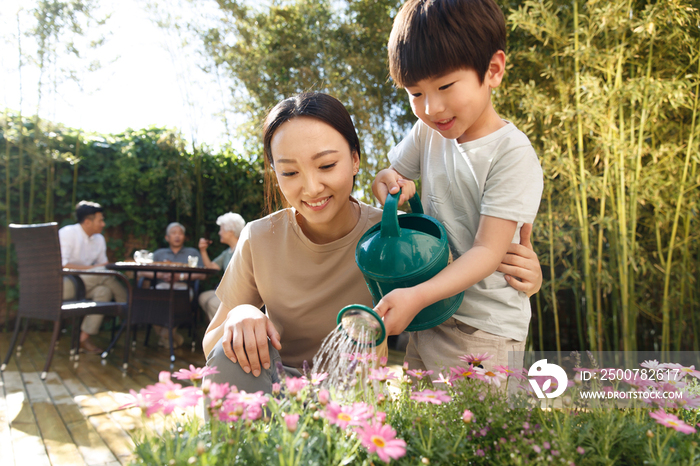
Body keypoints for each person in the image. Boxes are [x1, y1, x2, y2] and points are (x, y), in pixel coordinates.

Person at [203, 92, 542, 394]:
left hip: (350, 400)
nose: (311, 187)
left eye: (327, 165)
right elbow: (212, 347)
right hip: (272, 387)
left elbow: (458, 278)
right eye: (289, 172)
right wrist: (241, 314)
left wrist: (520, 271)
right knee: (227, 358)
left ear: (355, 160)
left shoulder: (391, 236)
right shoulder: (260, 237)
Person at [372, 0, 544, 375]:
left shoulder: (511, 153)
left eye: (446, 86)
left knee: (479, 431)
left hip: (483, 328)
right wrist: (386, 183)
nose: (432, 107)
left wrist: (416, 296)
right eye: (415, 93)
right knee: (425, 429)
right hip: (430, 314)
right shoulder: (427, 133)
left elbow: (486, 251)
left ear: (493, 70)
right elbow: (392, 176)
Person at [59, 201, 127, 354]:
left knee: (103, 291)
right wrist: (92, 269)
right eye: (100, 220)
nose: (103, 224)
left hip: (86, 284)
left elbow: (103, 266)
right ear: (88, 222)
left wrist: (96, 269)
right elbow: (61, 265)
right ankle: (128, 305)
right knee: (103, 274)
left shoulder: (99, 239)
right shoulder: (68, 233)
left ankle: (83, 338)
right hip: (63, 284)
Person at [144, 222, 207, 347]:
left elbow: (203, 274)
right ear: (167, 237)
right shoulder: (158, 254)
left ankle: (165, 337)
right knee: (150, 298)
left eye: (180, 233)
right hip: (162, 286)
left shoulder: (192, 253)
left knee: (177, 299)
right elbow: (143, 272)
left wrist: (180, 276)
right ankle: (171, 337)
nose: (177, 236)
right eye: (174, 233)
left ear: (184, 237)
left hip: (182, 287)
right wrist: (162, 275)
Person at [197, 213, 246, 321]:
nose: (219, 232)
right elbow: (211, 267)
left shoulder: (244, 248)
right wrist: (203, 250)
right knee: (203, 297)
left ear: (230, 231)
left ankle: (222, 333)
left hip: (239, 293)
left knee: (212, 303)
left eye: (221, 229)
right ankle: (221, 330)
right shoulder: (227, 252)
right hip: (227, 291)